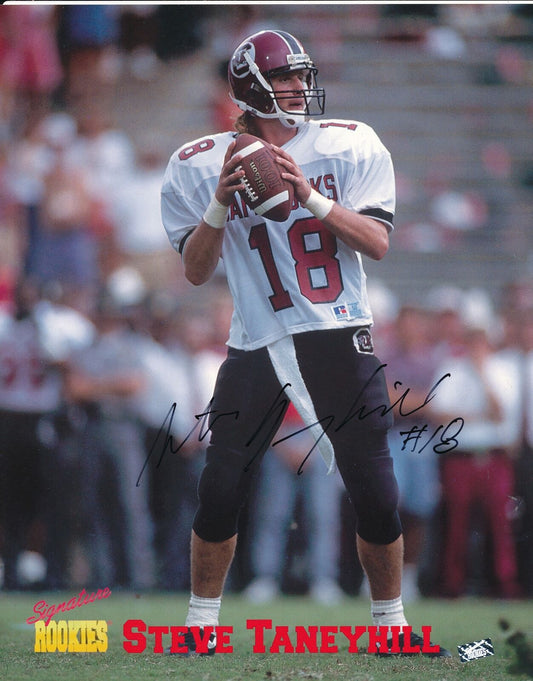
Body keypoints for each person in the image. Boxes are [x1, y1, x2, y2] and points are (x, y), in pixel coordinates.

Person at [161, 29, 450, 657]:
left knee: (375, 486)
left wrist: (309, 196)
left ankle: (391, 626)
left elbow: (376, 242)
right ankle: (200, 624)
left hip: (337, 326)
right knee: (221, 485)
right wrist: (217, 206)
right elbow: (195, 269)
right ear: (249, 87)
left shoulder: (349, 143)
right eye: (285, 78)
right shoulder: (198, 161)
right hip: (257, 337)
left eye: (300, 75)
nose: (299, 88)